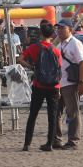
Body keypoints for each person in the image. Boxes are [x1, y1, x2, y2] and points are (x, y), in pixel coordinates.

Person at [18, 21, 63, 152]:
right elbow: (60, 71)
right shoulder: (56, 50)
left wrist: (32, 67)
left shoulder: (34, 47)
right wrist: (59, 88)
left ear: (40, 33)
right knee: (52, 115)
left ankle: (27, 144)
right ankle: (49, 143)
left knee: (33, 114)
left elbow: (19, 59)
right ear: (53, 35)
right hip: (54, 86)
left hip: (39, 84)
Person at [55, 19, 83, 150]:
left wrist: (81, 82)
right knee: (56, 112)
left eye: (62, 28)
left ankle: (73, 140)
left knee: (72, 112)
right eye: (58, 28)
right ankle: (56, 139)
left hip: (71, 82)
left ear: (70, 29)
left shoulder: (75, 43)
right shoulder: (59, 45)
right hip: (60, 83)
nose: (59, 30)